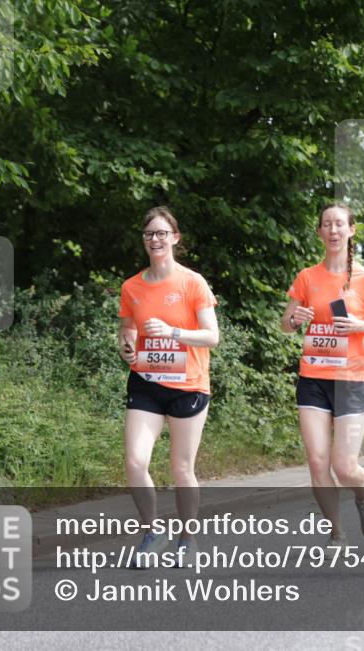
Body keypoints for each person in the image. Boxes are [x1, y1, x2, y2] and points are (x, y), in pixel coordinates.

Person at [282, 203, 364, 555]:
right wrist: (296, 319)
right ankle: (336, 533)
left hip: (354, 377)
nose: (333, 230)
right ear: (319, 232)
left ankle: (363, 491)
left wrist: (359, 325)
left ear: (351, 230)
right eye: (327, 224)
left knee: (344, 467)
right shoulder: (307, 277)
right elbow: (286, 324)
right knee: (317, 462)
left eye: (339, 224)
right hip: (314, 376)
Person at [118, 206, 219, 566]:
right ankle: (152, 532)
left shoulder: (192, 282)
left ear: (175, 238)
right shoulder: (131, 286)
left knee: (181, 469)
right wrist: (127, 345)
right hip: (146, 381)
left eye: (162, 233)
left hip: (188, 385)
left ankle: (188, 540)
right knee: (135, 461)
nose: (155, 239)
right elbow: (127, 328)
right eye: (149, 234)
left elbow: (212, 336)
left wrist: (174, 332)